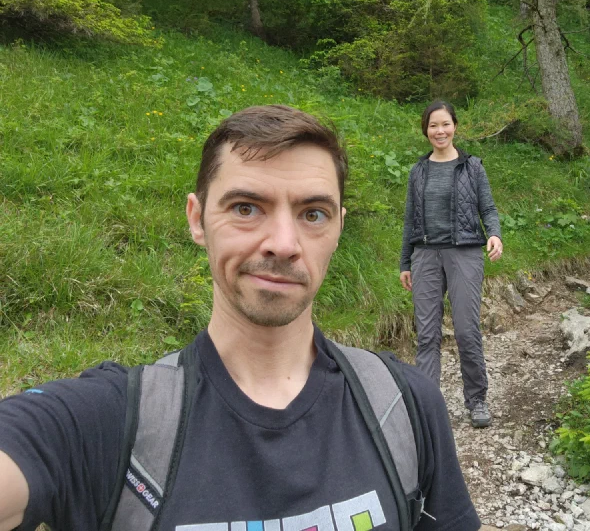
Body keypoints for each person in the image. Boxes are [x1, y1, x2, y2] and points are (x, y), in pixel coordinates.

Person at [0, 105, 482, 531]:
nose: (284, 244)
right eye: (246, 207)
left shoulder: (407, 405)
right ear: (197, 218)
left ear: (338, 227)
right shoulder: (103, 425)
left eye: (313, 214)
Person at [399, 101, 502, 430]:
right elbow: (409, 221)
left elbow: (488, 207)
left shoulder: (472, 167)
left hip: (465, 253)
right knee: (427, 334)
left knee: (466, 330)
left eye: (444, 124)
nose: (439, 131)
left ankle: (476, 399)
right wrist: (405, 262)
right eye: (432, 126)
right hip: (425, 255)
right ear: (425, 130)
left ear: (455, 126)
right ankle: (428, 407)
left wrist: (495, 234)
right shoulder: (418, 171)